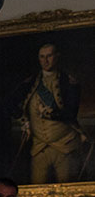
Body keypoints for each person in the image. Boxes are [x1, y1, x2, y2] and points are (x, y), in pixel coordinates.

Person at [19, 43, 88, 184]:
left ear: (57, 57)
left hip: (65, 146)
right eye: (42, 57)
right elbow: (11, 104)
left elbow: (71, 113)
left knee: (68, 192)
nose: (45, 61)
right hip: (38, 148)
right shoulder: (30, 83)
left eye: (49, 56)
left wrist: (50, 114)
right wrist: (24, 120)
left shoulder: (69, 83)